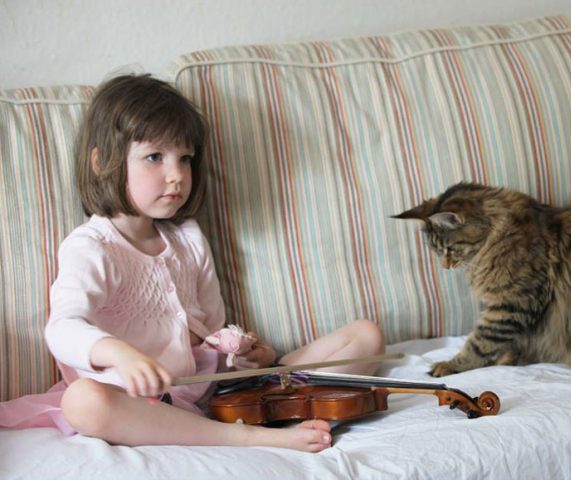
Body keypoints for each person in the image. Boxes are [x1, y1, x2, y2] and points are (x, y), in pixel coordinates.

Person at [0, 74, 384, 452]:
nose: (177, 175)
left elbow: (213, 329)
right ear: (102, 163)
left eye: (184, 159)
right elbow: (62, 327)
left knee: (365, 336)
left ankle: (286, 405)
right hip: (141, 404)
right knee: (83, 402)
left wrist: (247, 352)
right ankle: (247, 437)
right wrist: (120, 353)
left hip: (215, 391)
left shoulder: (188, 238)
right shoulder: (92, 246)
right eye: (155, 157)